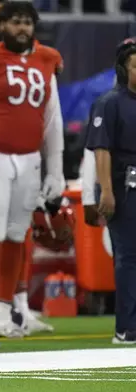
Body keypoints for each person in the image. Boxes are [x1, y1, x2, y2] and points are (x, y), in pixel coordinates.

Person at [0, 1, 65, 337]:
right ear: (1, 25)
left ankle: (5, 312)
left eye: (27, 23)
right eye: (15, 22)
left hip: (30, 158)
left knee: (17, 234)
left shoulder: (47, 58)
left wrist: (56, 171)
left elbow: (52, 120)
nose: (22, 28)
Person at [86, 38, 136, 344]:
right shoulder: (109, 102)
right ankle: (126, 327)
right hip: (123, 185)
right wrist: (106, 190)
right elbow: (101, 149)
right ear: (123, 69)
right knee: (128, 257)